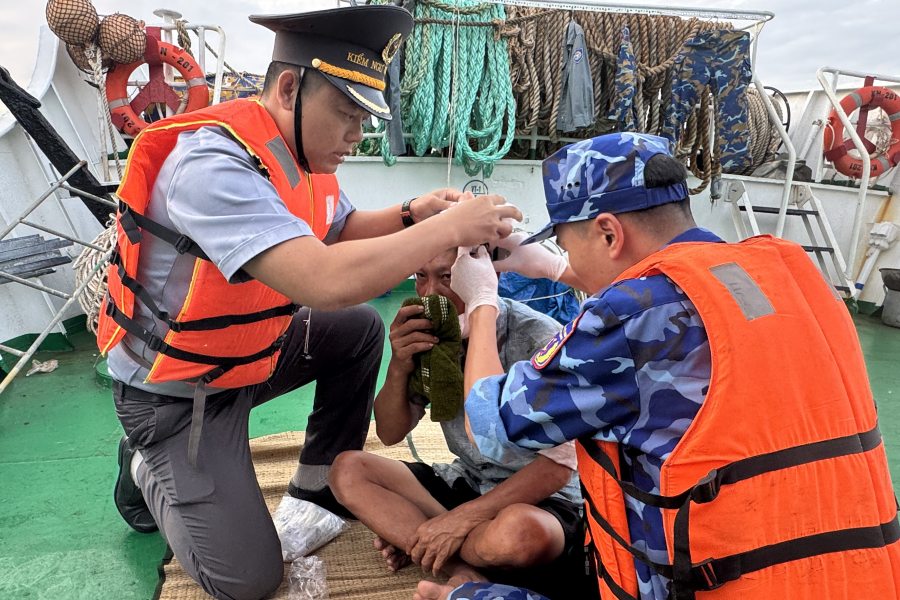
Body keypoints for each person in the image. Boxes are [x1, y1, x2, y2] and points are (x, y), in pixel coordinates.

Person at [103, 6, 521, 600]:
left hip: (246, 359)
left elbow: (341, 229)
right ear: (290, 87)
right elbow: (325, 279)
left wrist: (411, 213)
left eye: (364, 117)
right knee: (246, 581)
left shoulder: (299, 156)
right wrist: (450, 228)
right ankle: (147, 465)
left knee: (355, 330)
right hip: (179, 393)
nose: (358, 133)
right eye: (347, 114)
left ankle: (317, 486)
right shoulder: (214, 163)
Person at [418, 132, 900, 600]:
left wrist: (483, 301)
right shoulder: (787, 276)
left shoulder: (627, 316)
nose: (566, 258)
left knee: (457, 597)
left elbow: (488, 425)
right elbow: (674, 303)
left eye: (567, 245)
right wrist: (557, 268)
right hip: (853, 574)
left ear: (609, 232)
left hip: (724, 586)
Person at [329, 248, 593, 599]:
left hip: (542, 498)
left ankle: (424, 541)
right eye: (421, 276)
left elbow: (560, 468)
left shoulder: (537, 337)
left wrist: (451, 522)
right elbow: (390, 432)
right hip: (469, 478)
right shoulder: (431, 334)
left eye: (448, 277)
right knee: (348, 470)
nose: (430, 293)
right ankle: (464, 570)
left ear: (486, 277)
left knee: (518, 535)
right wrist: (399, 364)